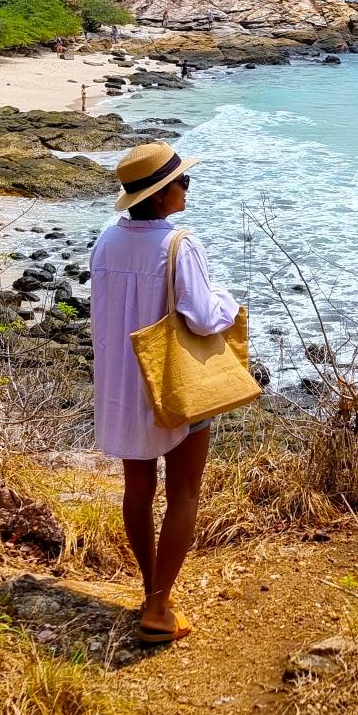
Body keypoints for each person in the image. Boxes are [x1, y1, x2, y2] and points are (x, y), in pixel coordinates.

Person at [90, 142, 239, 644]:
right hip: (174, 381)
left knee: (138, 489)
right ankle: (157, 608)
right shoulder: (180, 244)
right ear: (159, 196)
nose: (186, 188)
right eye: (181, 182)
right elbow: (201, 314)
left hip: (124, 383)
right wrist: (229, 302)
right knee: (185, 493)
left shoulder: (106, 242)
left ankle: (152, 588)